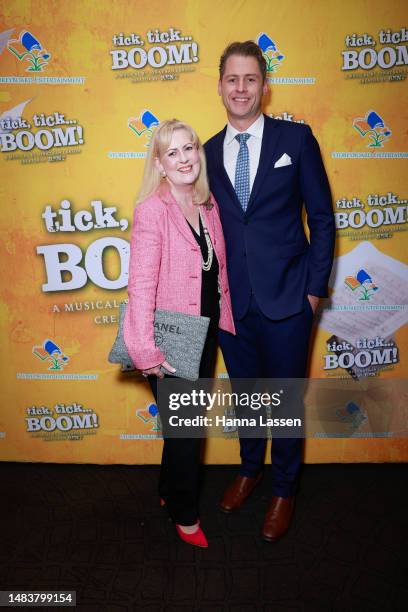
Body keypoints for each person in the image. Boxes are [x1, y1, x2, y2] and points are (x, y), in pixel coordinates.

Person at [204, 41, 335, 542]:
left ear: (264, 85)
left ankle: (283, 487)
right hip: (232, 303)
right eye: (232, 79)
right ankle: (249, 468)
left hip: (288, 299)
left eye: (250, 79)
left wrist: (313, 290)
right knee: (247, 398)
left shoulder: (296, 140)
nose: (241, 88)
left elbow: (321, 218)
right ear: (220, 86)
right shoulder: (207, 152)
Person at [123, 119, 235, 548]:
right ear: (160, 163)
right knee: (187, 430)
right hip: (168, 339)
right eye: (173, 152)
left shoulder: (207, 204)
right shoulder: (153, 209)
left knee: (181, 425)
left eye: (190, 148)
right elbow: (141, 284)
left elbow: (214, 271)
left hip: (205, 333)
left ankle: (169, 491)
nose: (185, 158)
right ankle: (186, 516)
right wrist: (145, 351)